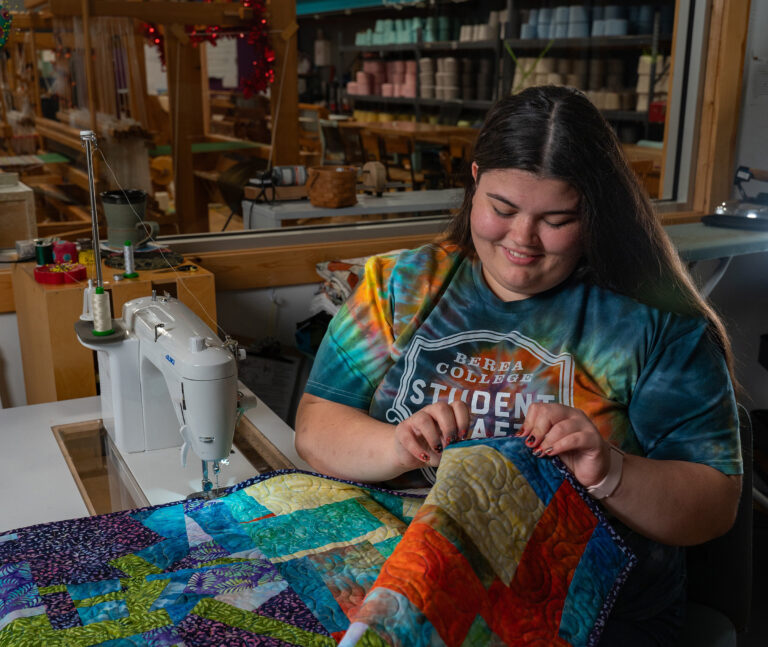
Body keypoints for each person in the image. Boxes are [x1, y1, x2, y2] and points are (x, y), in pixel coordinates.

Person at [295, 85, 742, 645]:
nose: (522, 241)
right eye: (502, 209)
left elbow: (713, 504)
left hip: (591, 614)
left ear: (595, 209)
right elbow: (317, 423)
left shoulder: (653, 324)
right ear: (475, 181)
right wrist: (396, 446)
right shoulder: (399, 286)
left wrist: (609, 471)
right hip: (404, 583)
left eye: (557, 219)